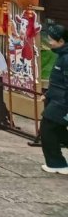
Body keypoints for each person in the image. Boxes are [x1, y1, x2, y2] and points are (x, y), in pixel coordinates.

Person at [40, 23, 68, 174]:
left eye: (52, 40)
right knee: (58, 130)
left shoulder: (66, 58)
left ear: (61, 41)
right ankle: (57, 162)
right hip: (57, 99)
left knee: (47, 129)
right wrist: (48, 94)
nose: (49, 42)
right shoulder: (62, 55)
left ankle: (56, 163)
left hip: (62, 102)